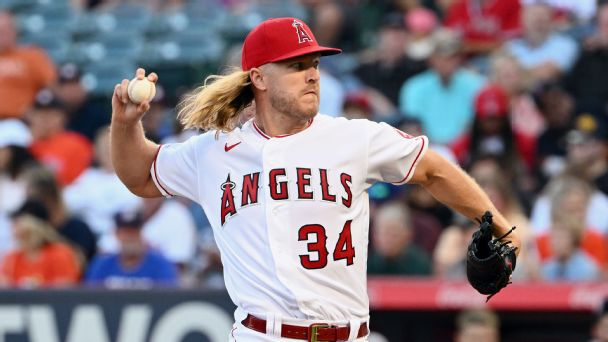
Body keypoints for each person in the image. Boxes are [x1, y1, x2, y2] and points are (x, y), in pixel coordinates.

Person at [110, 17, 520, 341]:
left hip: (350, 333)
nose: (312, 75)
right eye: (296, 66)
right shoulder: (214, 152)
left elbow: (436, 169)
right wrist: (125, 125)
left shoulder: (353, 137)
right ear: (259, 78)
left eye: (314, 64)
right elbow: (140, 176)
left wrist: (503, 228)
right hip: (264, 334)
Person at [85, 209, 178, 289]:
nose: (130, 237)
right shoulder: (103, 265)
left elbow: (167, 295)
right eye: (126, 232)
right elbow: (90, 295)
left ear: (141, 233)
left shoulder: (160, 265)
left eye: (134, 232)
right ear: (116, 234)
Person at [0, 11, 57, 119]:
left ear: (15, 31)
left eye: (6, 30)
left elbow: (52, 87)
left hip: (20, 121)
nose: (3, 35)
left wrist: (37, 109)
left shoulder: (32, 56)